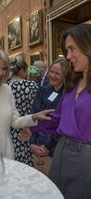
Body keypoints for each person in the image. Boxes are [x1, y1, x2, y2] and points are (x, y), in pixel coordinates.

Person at [29, 23, 91, 199]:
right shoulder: (71, 85)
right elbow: (54, 120)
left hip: (86, 159)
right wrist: (33, 137)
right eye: (67, 50)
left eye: (72, 49)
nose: (69, 56)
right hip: (61, 151)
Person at [30, 58, 71, 160]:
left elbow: (64, 124)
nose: (52, 76)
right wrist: (32, 143)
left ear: (64, 76)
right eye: (51, 71)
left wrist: (47, 145)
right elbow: (34, 115)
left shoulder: (69, 95)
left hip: (56, 147)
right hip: (37, 143)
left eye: (57, 73)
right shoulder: (42, 90)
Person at [7, 58, 38, 165]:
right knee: (25, 164)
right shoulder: (32, 86)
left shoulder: (5, 87)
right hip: (28, 128)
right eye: (26, 71)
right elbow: (36, 108)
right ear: (21, 71)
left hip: (9, 130)